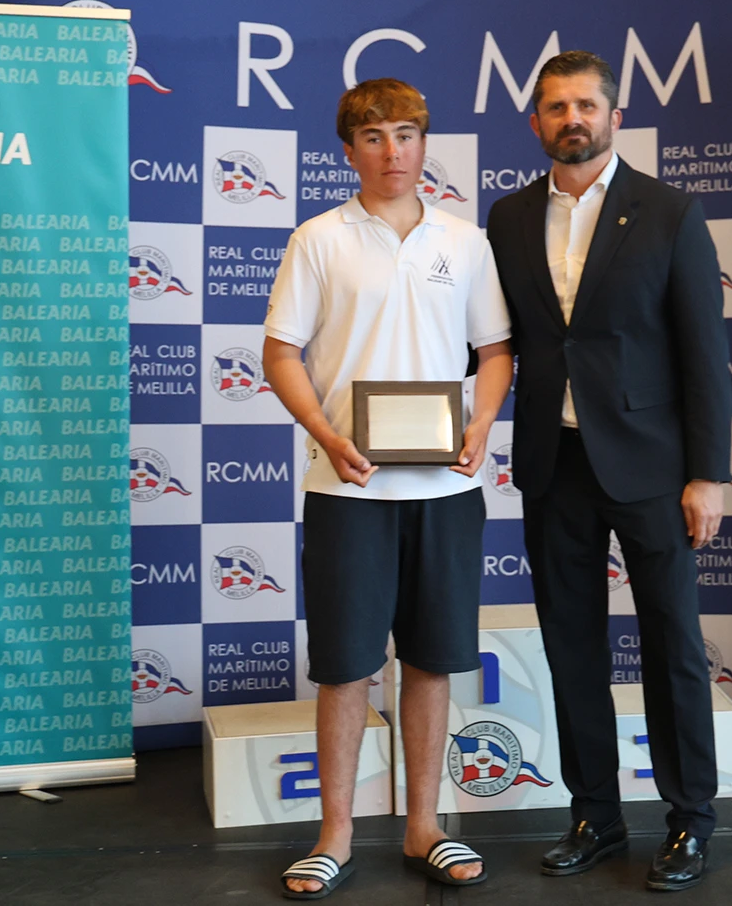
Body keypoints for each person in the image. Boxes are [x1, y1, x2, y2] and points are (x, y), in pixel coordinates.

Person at [485, 51, 732, 892]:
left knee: (673, 645)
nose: (572, 119)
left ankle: (690, 819)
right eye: (556, 107)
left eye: (586, 105)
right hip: (553, 464)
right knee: (571, 645)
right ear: (535, 122)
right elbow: (497, 340)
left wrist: (707, 475)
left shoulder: (668, 210)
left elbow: (704, 354)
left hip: (654, 467)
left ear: (614, 116)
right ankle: (594, 813)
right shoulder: (507, 216)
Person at [263, 77, 514, 900]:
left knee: (433, 663)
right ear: (349, 150)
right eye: (373, 137)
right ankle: (334, 834)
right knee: (345, 669)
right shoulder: (318, 238)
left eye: (405, 134)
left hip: (444, 490)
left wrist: (481, 423)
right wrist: (327, 433)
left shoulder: (464, 241)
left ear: (424, 143)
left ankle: (424, 826)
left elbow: (496, 350)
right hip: (347, 491)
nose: (392, 151)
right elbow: (280, 352)